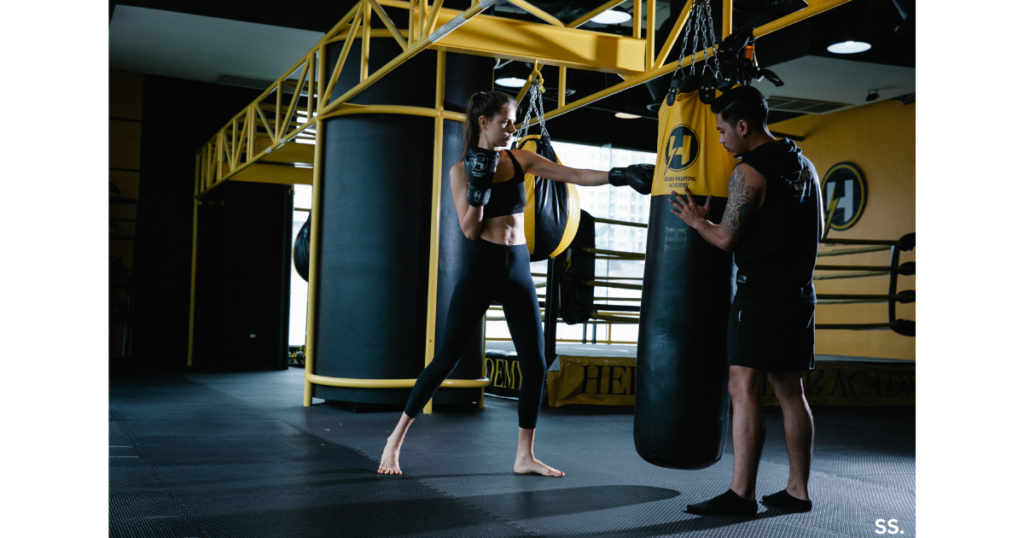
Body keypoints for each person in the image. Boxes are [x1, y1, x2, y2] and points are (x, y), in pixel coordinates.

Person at [378, 90, 653, 477]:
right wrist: (479, 188)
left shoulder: (520, 158)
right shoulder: (459, 172)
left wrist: (618, 175)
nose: (513, 127)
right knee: (446, 359)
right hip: (483, 264)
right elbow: (470, 230)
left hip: (517, 266)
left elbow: (571, 175)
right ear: (483, 123)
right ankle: (395, 440)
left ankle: (524, 455)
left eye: (515, 120)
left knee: (536, 364)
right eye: (506, 121)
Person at [668, 85, 822, 516]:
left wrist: (699, 221)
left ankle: (741, 494)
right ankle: (798, 491)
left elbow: (724, 238)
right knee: (791, 391)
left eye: (721, 130)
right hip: (800, 294)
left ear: (742, 125)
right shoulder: (805, 165)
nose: (719, 139)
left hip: (761, 295)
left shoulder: (747, 173)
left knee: (743, 388)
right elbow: (820, 228)